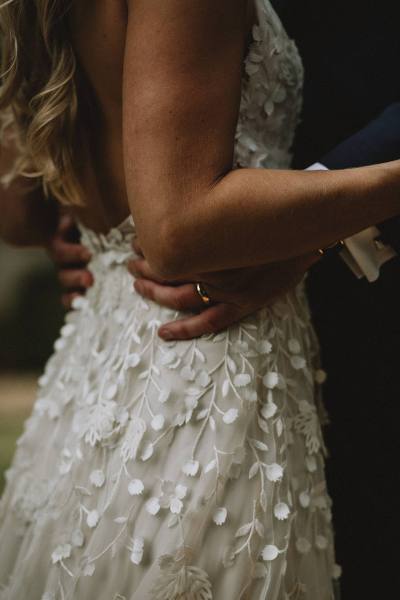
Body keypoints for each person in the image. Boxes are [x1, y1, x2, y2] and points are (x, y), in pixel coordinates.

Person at [1, 1, 400, 599]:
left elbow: (16, 210)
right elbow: (177, 232)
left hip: (92, 378)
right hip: (210, 370)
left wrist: (94, 211)